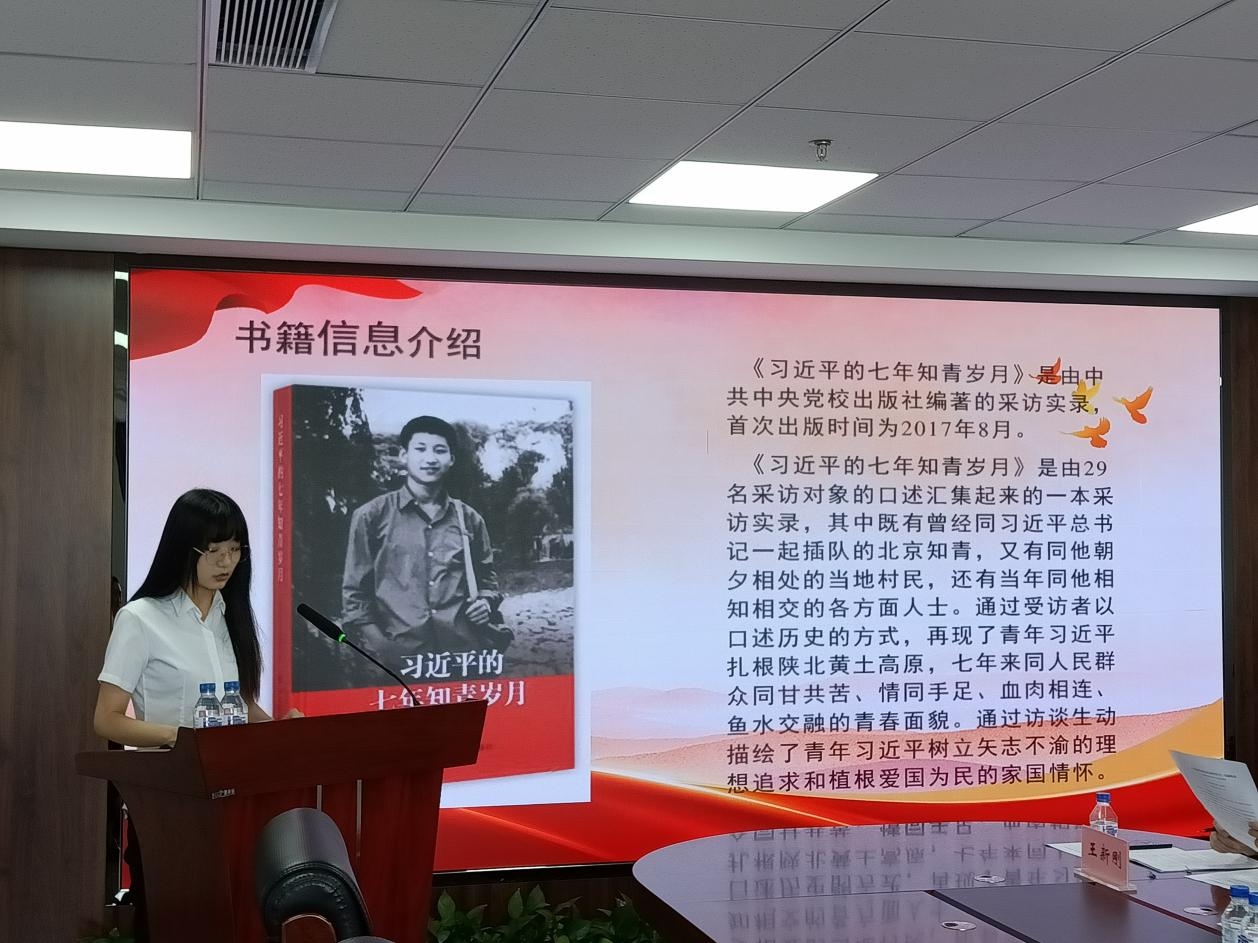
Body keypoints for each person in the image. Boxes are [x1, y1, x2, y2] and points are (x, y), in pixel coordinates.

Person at [93, 488, 279, 941]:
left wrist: (283, 734)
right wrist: (184, 738)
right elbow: (107, 719)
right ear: (184, 548)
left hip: (231, 801)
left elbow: (238, 705)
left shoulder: (231, 616)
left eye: (235, 549)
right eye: (213, 551)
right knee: (175, 923)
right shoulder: (141, 618)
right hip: (167, 804)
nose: (226, 562)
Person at [342, 415, 505, 676]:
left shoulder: (470, 518)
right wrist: (382, 647)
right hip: (398, 660)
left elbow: (488, 578)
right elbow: (355, 593)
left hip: (464, 654)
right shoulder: (371, 516)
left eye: (439, 450)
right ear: (403, 455)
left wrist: (485, 602)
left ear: (451, 459)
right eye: (420, 449)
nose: (430, 458)